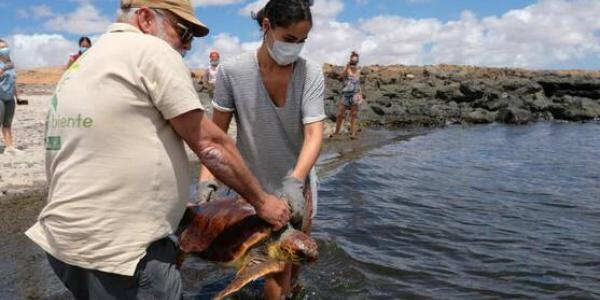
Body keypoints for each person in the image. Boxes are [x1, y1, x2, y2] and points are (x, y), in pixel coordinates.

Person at [25, 1, 290, 299]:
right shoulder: (151, 50)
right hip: (120, 251)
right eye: (184, 32)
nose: (187, 46)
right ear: (145, 18)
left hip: (64, 242)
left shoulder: (83, 64)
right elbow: (210, 143)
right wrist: (261, 201)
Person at [197, 0, 324, 298]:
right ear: (267, 26)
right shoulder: (233, 71)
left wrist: (295, 180)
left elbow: (314, 132)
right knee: (272, 267)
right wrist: (207, 179)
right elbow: (216, 135)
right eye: (290, 39)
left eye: (303, 41)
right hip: (250, 187)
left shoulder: (310, 73)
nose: (296, 48)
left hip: (297, 182)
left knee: (291, 262)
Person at [332, 51, 363, 139]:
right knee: (340, 114)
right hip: (346, 94)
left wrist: (361, 95)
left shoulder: (359, 70)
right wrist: (346, 68)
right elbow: (341, 77)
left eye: (355, 61)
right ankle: (337, 133)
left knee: (354, 114)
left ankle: (353, 133)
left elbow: (358, 84)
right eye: (352, 60)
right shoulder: (347, 68)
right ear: (350, 60)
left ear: (357, 61)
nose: (354, 62)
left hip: (355, 94)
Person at [0, 39, 22, 155]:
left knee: (7, 123)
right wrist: (4, 69)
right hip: (0, 97)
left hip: (10, 98)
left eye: (5, 47)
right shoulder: (4, 65)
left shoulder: (11, 64)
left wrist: (17, 97)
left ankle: (9, 147)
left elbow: (13, 81)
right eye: (1, 48)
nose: (4, 49)